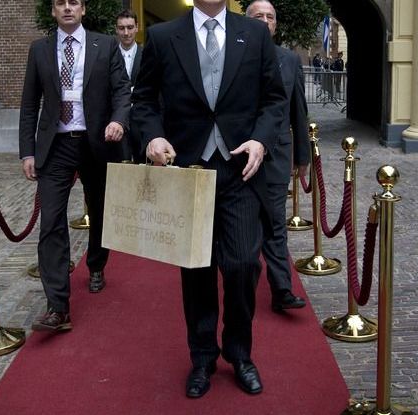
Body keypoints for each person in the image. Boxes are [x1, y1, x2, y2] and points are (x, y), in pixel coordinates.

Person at [131, 0, 286, 399]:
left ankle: (240, 353)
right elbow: (144, 101)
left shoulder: (253, 34)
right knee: (197, 270)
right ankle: (202, 357)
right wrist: (152, 137)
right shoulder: (165, 37)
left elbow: (274, 99)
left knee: (241, 266)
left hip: (240, 170)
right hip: (188, 173)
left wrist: (261, 140)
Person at [19, 0, 130, 332]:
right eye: (60, 3)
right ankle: (57, 306)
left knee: (99, 210)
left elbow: (122, 91)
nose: (67, 8)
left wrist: (118, 121)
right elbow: (28, 104)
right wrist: (28, 152)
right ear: (53, 11)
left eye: (74, 3)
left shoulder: (106, 45)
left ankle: (96, 264)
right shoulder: (39, 50)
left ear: (82, 10)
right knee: (51, 221)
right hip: (56, 146)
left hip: (96, 141)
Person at [246, 0, 308, 313]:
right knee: (245, 225)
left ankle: (282, 289)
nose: (265, 21)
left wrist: (302, 158)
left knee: (274, 223)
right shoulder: (236, 55)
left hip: (277, 154)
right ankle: (245, 283)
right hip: (239, 155)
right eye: (258, 16)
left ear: (275, 25)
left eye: (270, 17)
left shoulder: (289, 59)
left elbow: (298, 108)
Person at [115, 9, 144, 162]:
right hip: (117, 122)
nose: (126, 33)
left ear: (137, 27)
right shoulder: (108, 56)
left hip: (141, 120)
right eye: (121, 28)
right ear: (116, 29)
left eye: (130, 27)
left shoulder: (147, 55)